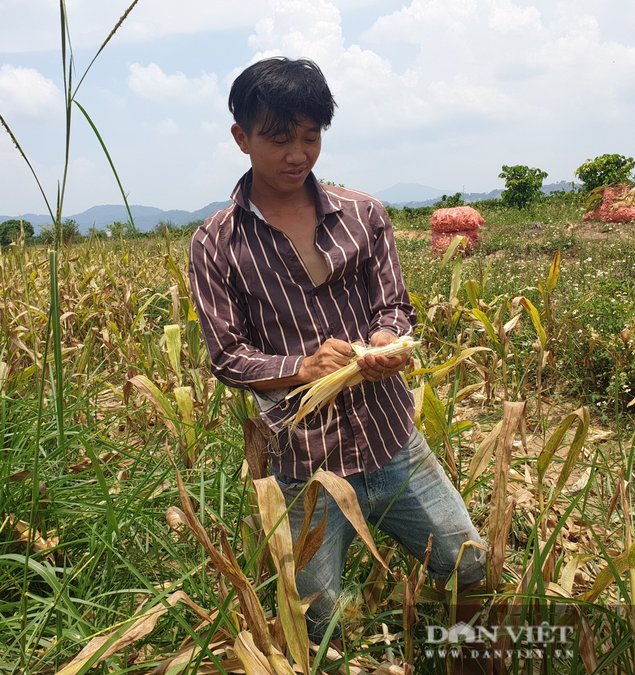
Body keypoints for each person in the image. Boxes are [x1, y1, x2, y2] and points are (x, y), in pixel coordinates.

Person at [188, 56, 485, 646]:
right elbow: (226, 355)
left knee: (470, 568)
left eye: (310, 136)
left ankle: (469, 652)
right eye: (278, 139)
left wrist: (386, 340)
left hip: (390, 437)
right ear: (241, 137)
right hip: (304, 467)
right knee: (319, 623)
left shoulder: (364, 214)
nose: (297, 154)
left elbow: (394, 306)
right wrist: (299, 368)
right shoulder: (216, 243)